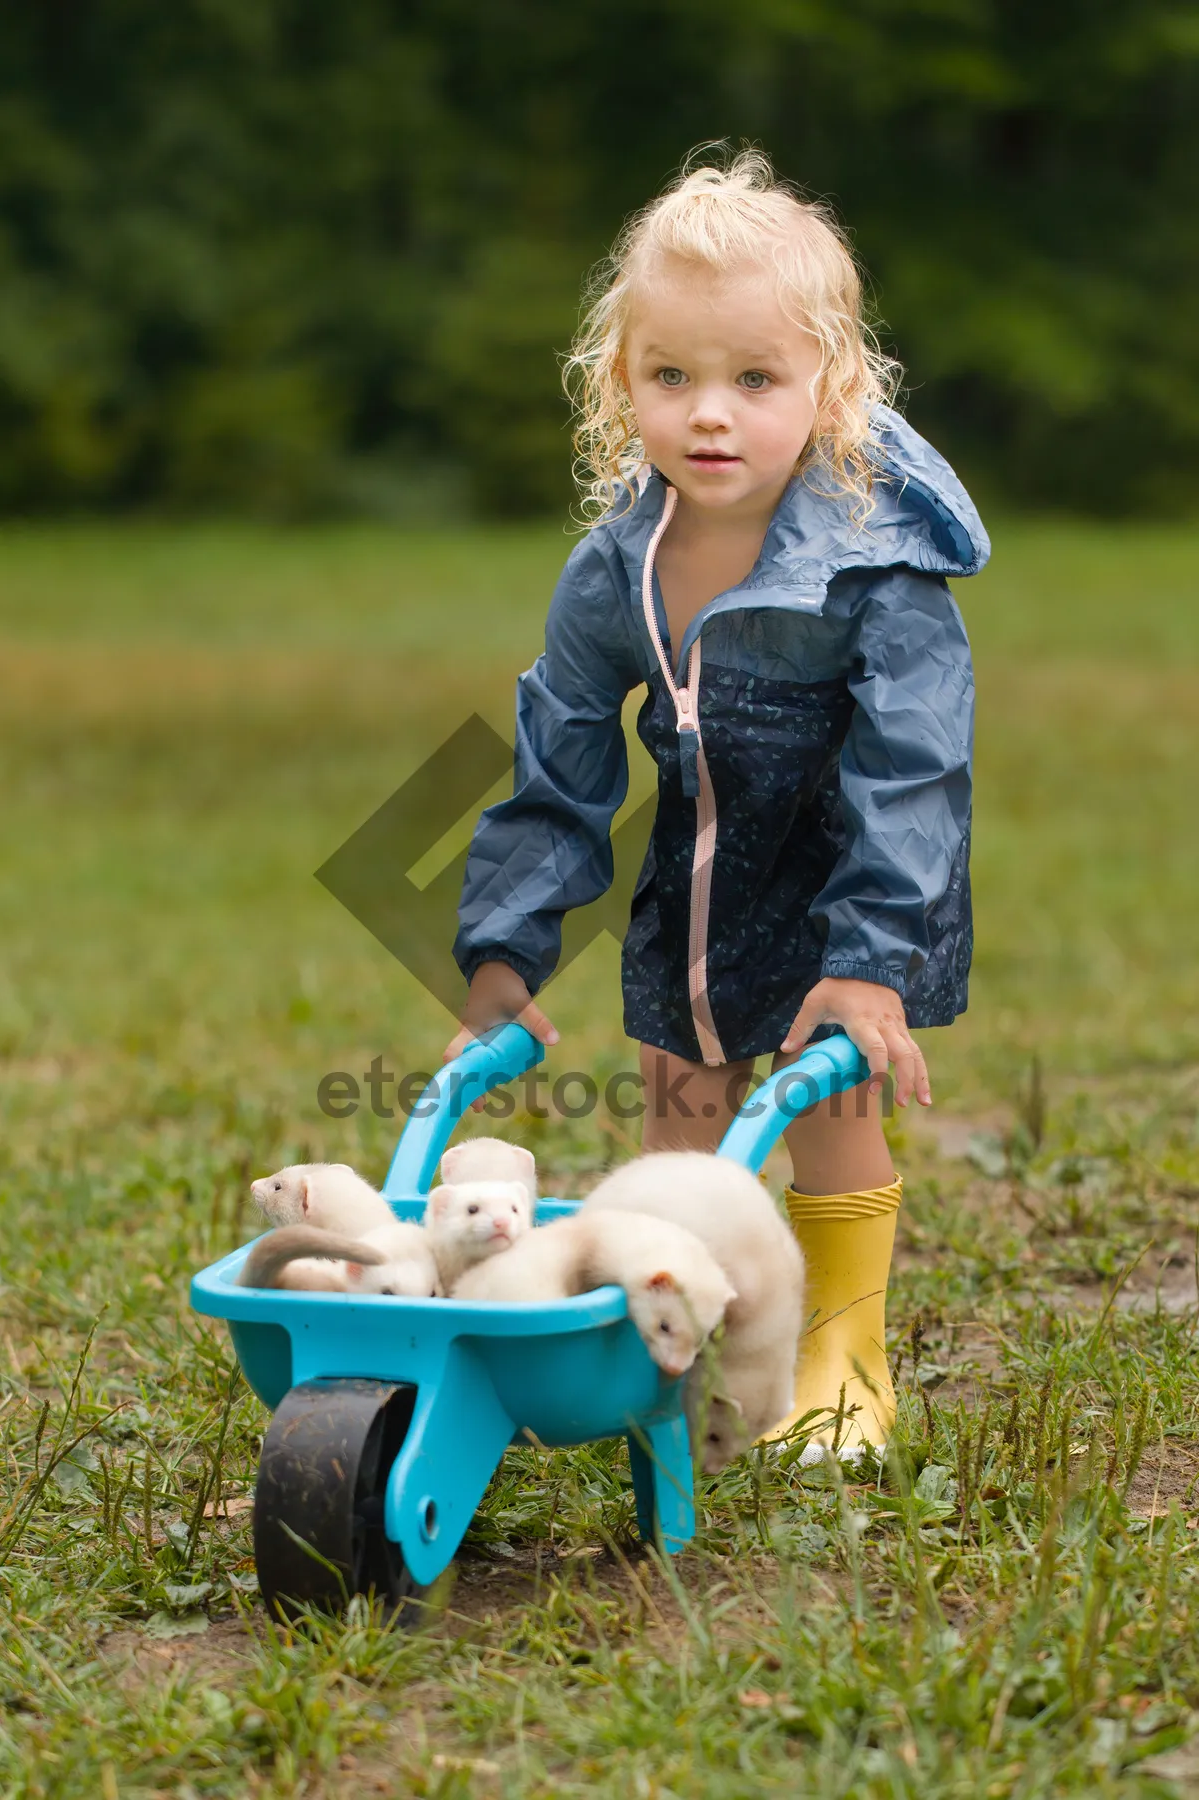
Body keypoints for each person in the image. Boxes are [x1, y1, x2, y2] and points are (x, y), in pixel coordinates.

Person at [442, 147, 989, 1455]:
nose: (711, 415)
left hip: (851, 878)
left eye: (755, 380)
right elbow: (561, 755)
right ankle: (687, 1351)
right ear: (617, 384)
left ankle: (840, 1355)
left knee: (824, 1102)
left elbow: (912, 771)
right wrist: (505, 950)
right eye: (671, 376)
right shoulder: (613, 570)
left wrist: (873, 964)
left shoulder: (875, 573)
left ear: (829, 388)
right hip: (691, 887)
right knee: (684, 1116)